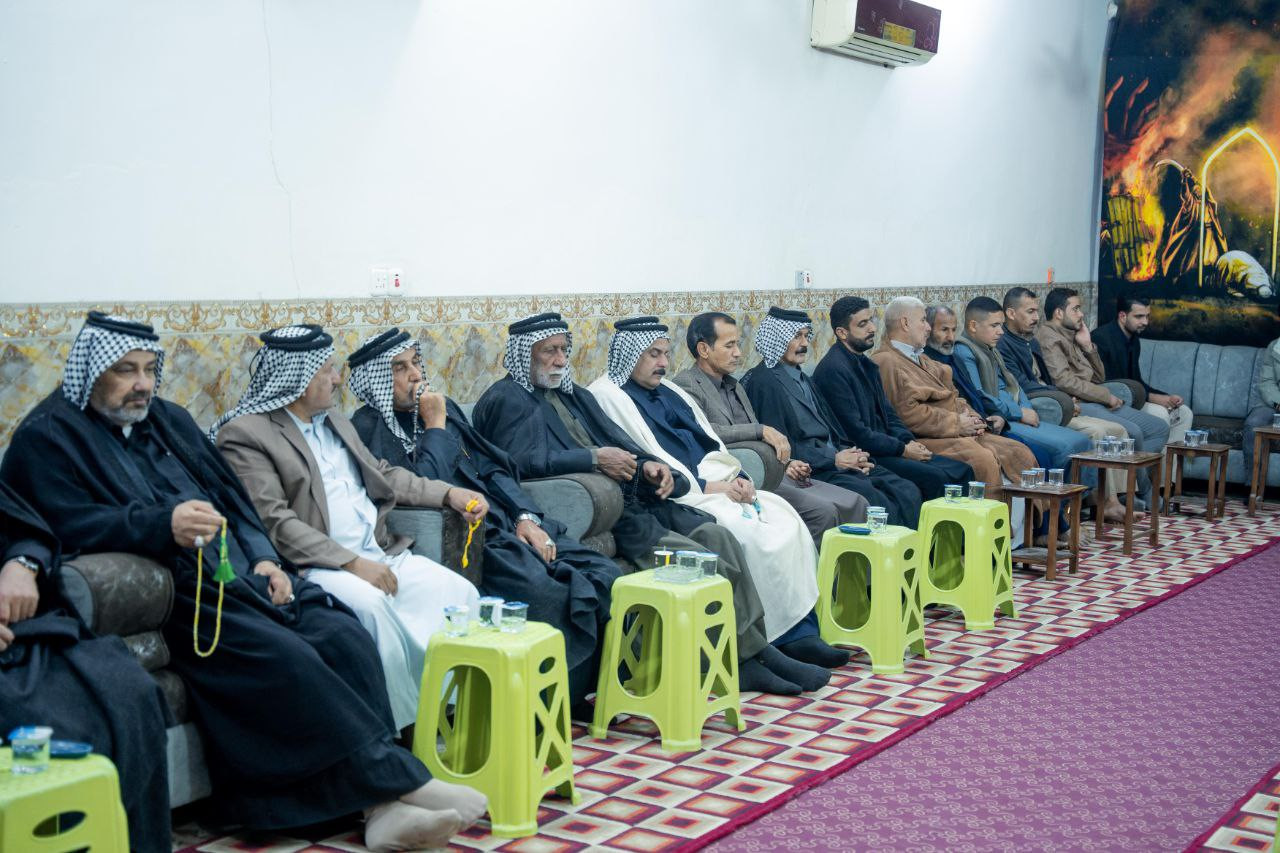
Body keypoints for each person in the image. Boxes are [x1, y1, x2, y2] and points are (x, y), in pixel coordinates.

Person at [1, 312, 484, 851]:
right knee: (286, 655)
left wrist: (265, 561)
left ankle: (381, 808)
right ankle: (396, 786)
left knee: (340, 632)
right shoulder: (50, 437)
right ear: (91, 372)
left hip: (241, 575)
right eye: (125, 370)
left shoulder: (166, 420)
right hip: (182, 594)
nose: (142, 384)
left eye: (149, 370)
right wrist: (160, 524)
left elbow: (235, 503)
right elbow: (62, 524)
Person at [473, 313, 830, 694]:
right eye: (550, 351)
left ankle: (757, 650)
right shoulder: (506, 399)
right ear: (524, 354)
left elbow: (622, 444)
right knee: (701, 558)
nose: (561, 360)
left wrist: (649, 467)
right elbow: (518, 463)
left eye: (563, 350)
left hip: (637, 501)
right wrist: (593, 459)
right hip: (604, 513)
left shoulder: (574, 394)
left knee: (720, 536)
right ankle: (739, 661)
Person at [212, 325, 483, 732]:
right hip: (320, 567)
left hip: (380, 553)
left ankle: (454, 720)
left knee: (459, 594)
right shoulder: (247, 435)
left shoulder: (334, 421)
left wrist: (448, 493)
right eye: (327, 370)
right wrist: (352, 564)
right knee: (372, 610)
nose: (337, 379)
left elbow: (384, 474)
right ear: (299, 378)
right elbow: (274, 521)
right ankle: (403, 733)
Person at [346, 327, 622, 705]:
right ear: (375, 379)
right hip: (470, 541)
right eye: (399, 368)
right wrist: (435, 426)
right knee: (548, 591)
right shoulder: (369, 428)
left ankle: (595, 693)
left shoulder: (444, 410)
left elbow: (493, 469)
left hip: (509, 524)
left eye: (416, 363)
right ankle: (545, 704)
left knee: (602, 572)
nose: (415, 375)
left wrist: (526, 517)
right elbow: (424, 490)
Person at [586, 317, 848, 672]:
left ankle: (800, 632)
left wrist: (738, 476)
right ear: (629, 355)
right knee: (745, 532)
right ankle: (768, 641)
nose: (663, 363)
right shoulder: (609, 396)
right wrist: (710, 486)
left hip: (718, 480)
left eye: (665, 353)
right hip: (686, 493)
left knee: (784, 518)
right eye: (653, 354)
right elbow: (647, 460)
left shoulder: (670, 390)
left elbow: (712, 441)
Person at [0, 480, 172, 853]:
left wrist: (22, 565)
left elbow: (25, 530)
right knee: (46, 726)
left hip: (21, 635)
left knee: (130, 691)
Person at [672, 311, 867, 544]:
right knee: (822, 513)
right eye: (730, 345)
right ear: (704, 349)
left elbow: (758, 442)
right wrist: (760, 429)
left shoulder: (734, 385)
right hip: (738, 477)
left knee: (857, 502)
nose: (738, 353)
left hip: (773, 470)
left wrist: (787, 462)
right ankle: (812, 569)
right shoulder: (686, 384)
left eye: (737, 344)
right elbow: (704, 430)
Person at [737, 306, 919, 527]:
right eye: (796, 336)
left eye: (806, 336)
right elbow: (781, 447)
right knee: (874, 498)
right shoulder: (764, 383)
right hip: (814, 467)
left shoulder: (802, 377)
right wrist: (834, 459)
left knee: (906, 489)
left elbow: (832, 429)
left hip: (836, 460)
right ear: (776, 338)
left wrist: (852, 455)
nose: (804, 343)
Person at [870, 297, 1037, 509]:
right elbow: (905, 414)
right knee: (983, 459)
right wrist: (957, 423)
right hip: (927, 437)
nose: (928, 328)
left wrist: (973, 419)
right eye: (923, 320)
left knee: (1019, 451)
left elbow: (953, 395)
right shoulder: (886, 360)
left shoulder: (920, 357)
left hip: (956, 430)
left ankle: (1031, 526)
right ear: (905, 323)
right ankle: (987, 525)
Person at [813, 297, 975, 508]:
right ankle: (934, 531)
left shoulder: (864, 362)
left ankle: (962, 530)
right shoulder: (833, 370)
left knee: (962, 470)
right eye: (863, 324)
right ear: (842, 333)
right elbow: (857, 434)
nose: (872, 328)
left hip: (889, 447)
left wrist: (908, 442)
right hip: (869, 453)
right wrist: (902, 449)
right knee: (936, 478)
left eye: (871, 320)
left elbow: (889, 414)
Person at [999, 287, 1132, 520]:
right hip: (1041, 407)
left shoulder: (1030, 341)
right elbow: (1023, 386)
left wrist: (1088, 348)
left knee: (1113, 431)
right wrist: (1062, 399)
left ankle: (1104, 502)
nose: (1036, 317)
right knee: (1091, 436)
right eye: (1030, 312)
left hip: (1058, 402)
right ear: (1010, 313)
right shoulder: (1005, 345)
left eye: (1036, 311)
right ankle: (1075, 512)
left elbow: (1094, 377)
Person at [1036, 287, 1170, 503]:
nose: (1081, 314)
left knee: (1159, 428)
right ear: (1059, 313)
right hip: (1079, 402)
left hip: (1095, 398)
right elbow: (1064, 381)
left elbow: (1099, 377)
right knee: (1134, 432)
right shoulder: (1049, 338)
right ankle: (1142, 491)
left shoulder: (1072, 335)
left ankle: (1131, 484)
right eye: (1076, 309)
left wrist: (1088, 346)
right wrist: (1106, 396)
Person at [952, 297, 1092, 476]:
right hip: (1004, 419)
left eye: (1001, 325)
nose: (1000, 331)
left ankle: (1082, 494)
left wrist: (1027, 409)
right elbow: (981, 396)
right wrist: (1019, 413)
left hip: (1017, 413)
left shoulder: (990, 348)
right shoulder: (964, 351)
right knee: (1065, 447)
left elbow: (1014, 384)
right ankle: (1059, 495)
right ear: (973, 326)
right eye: (994, 325)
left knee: (1081, 441)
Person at [1093, 295, 1193, 444]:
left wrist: (1166, 397)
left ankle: (1167, 459)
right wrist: (1154, 398)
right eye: (1139, 316)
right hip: (1112, 402)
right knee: (1161, 415)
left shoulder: (1134, 339)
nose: (1145, 322)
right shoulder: (1101, 338)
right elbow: (1109, 385)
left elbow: (1136, 381)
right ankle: (1153, 458)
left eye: (1147, 316)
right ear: (1122, 316)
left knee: (1184, 413)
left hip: (1133, 397)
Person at [1244, 334, 1280, 480]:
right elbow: (1266, 382)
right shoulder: (1275, 346)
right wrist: (1278, 403)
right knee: (1254, 423)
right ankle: (1253, 484)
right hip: (1273, 402)